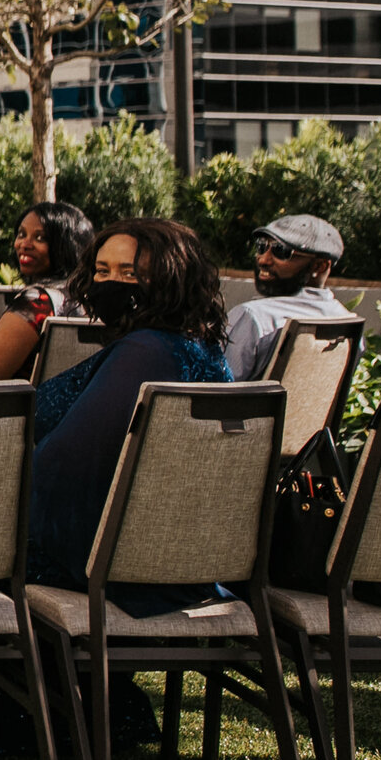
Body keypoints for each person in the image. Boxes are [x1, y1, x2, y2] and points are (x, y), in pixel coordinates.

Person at [29, 218, 232, 620]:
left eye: (130, 273)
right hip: (173, 556)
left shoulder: (145, 351)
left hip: (103, 560)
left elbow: (66, 467)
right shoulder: (199, 347)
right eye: (102, 271)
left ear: (171, 279)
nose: (111, 284)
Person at [0, 201, 95, 381]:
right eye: (21, 234)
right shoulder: (86, 297)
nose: (24, 244)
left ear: (64, 246)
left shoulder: (37, 302)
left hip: (24, 400)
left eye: (40, 238)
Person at [223, 214, 349, 380]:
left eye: (281, 251)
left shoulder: (254, 318)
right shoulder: (347, 323)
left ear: (320, 266)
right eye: (262, 246)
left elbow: (216, 388)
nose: (263, 260)